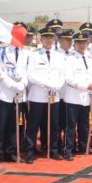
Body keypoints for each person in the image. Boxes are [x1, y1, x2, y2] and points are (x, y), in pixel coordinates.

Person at [24, 26, 66, 163]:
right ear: (41, 39)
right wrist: (46, 84)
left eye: (51, 37)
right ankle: (29, 151)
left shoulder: (59, 56)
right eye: (46, 37)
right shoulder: (34, 55)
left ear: (54, 39)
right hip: (38, 95)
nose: (48, 40)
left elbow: (62, 75)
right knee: (33, 125)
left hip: (54, 95)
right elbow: (30, 75)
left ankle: (53, 150)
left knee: (54, 124)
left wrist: (57, 85)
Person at [0, 31, 28, 165]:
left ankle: (10, 152)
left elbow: (26, 72)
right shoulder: (0, 50)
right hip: (3, 93)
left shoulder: (25, 52)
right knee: (0, 125)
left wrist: (22, 84)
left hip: (19, 94)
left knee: (14, 126)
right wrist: (12, 84)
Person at [64, 30, 92, 158]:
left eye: (84, 42)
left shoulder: (90, 59)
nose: (81, 45)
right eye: (79, 42)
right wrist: (85, 86)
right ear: (74, 44)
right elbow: (69, 79)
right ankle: (68, 150)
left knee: (85, 124)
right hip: (73, 97)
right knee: (71, 126)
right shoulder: (70, 59)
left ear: (87, 43)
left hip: (87, 97)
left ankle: (83, 146)